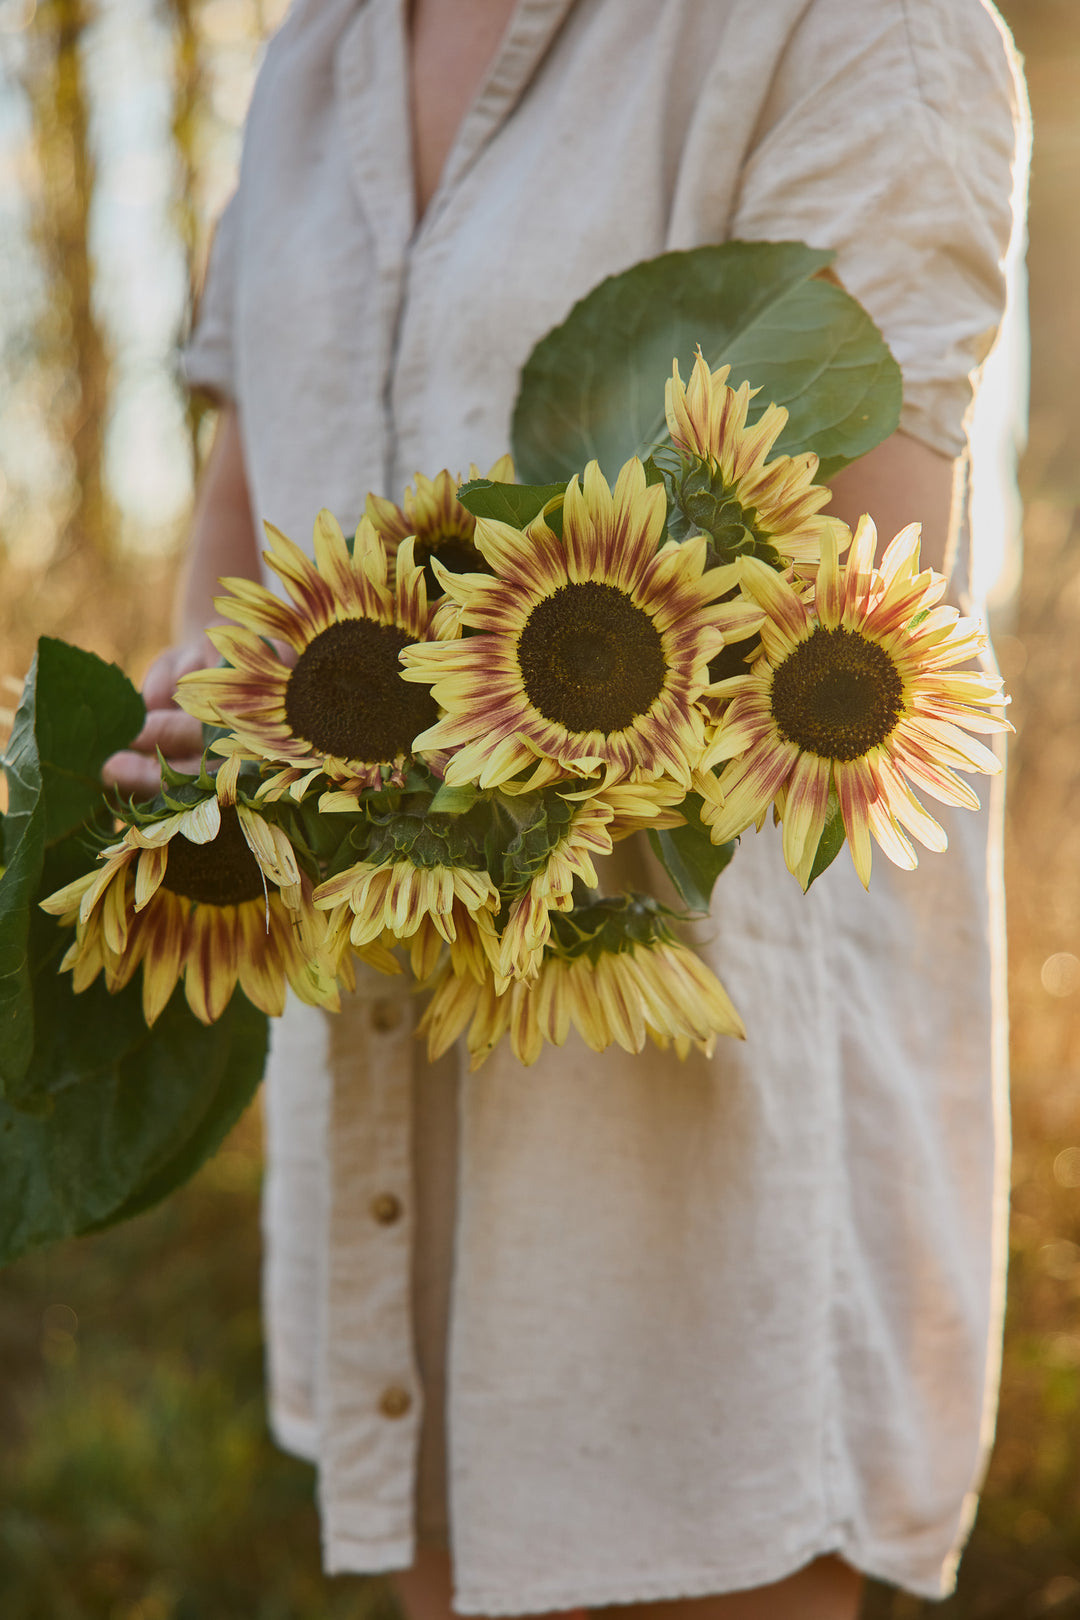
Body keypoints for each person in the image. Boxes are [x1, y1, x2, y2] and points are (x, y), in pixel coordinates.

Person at [105, 3, 1027, 1616]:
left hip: (698, 1182)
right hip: (387, 1125)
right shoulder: (312, 61)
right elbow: (239, 552)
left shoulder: (845, 26)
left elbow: (831, 628)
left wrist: (364, 735)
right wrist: (196, 719)